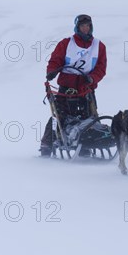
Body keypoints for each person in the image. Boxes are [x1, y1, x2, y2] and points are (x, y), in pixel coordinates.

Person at [39, 14, 107, 156]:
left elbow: (101, 68)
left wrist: (92, 78)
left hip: (86, 88)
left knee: (88, 118)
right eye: (82, 26)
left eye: (88, 26)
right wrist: (51, 72)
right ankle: (47, 145)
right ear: (77, 27)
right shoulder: (66, 43)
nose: (85, 29)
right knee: (59, 116)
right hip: (66, 88)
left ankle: (85, 145)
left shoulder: (99, 46)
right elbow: (55, 60)